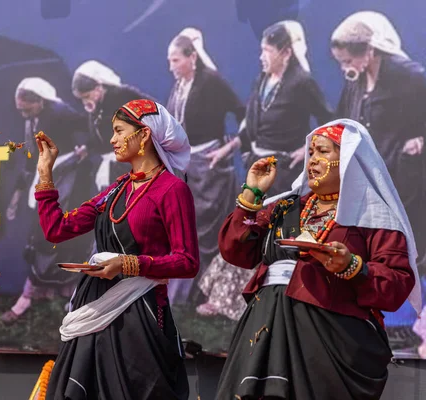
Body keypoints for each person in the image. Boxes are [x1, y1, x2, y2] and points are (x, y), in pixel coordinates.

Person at [214, 120, 419, 399]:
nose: (312, 161)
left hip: (328, 341)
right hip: (264, 327)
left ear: (346, 159)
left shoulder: (373, 216)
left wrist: (352, 267)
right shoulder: (286, 206)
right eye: (310, 153)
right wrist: (253, 192)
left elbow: (396, 284)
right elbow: (235, 249)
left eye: (323, 152)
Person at [34, 99, 199, 399]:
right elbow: (57, 229)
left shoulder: (172, 190)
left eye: (119, 131)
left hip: (141, 316)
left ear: (145, 135)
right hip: (97, 311)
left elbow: (187, 261)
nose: (112, 139)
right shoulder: (116, 190)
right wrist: (46, 172)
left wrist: (128, 264)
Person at [331, 11, 426, 352]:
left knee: (403, 250)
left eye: (349, 58)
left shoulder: (409, 76)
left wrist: (421, 140)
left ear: (370, 50)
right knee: (373, 248)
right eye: (341, 61)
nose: (345, 66)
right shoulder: (355, 80)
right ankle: (378, 319)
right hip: (370, 179)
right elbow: (342, 120)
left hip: (405, 181)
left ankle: (403, 322)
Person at [1, 77, 93, 323]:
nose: (22, 113)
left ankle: (72, 299)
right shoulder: (31, 120)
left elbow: (93, 126)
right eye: (19, 109)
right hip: (46, 180)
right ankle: (32, 295)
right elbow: (32, 158)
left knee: (62, 240)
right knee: (40, 239)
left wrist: (86, 147)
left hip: (69, 183)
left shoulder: (60, 113)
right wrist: (18, 193)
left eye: (26, 108)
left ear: (40, 102)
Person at [166, 27, 245, 305]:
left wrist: (228, 147)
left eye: (176, 60)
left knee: (207, 230)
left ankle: (210, 294)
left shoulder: (212, 81)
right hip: (186, 166)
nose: (171, 66)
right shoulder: (180, 84)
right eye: (170, 61)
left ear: (192, 58)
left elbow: (245, 116)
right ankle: (185, 294)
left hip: (210, 169)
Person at [211, 21, 333, 196]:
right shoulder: (261, 80)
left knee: (285, 221)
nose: (261, 57)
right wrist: (229, 148)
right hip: (258, 170)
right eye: (262, 50)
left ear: (286, 53)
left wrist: (309, 149)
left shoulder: (302, 83)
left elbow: (328, 119)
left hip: (286, 174)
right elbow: (252, 121)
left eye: (267, 51)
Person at [72, 60, 154, 189]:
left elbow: (155, 110)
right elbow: (101, 137)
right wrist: (87, 147)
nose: (85, 101)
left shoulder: (122, 94)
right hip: (114, 167)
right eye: (81, 98)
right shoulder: (96, 107)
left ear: (99, 88)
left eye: (87, 96)